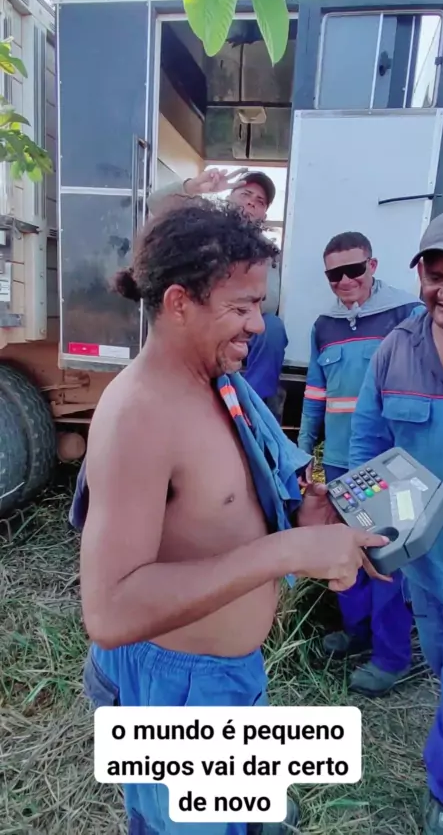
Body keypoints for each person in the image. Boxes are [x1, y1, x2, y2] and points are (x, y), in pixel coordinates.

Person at [70, 200, 390, 835]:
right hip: (178, 690)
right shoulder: (140, 414)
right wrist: (286, 553)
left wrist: (301, 519)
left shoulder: (218, 382)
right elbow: (109, 612)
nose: (258, 324)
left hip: (227, 676)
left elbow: (224, 509)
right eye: (241, 307)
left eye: (259, 305)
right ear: (179, 303)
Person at [348, 204, 443, 835]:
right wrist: (360, 529)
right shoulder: (393, 352)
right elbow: (367, 448)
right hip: (424, 568)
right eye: (437, 274)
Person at [298, 231, 424, 696]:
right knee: (342, 555)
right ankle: (356, 634)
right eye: (335, 274)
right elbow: (315, 393)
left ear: (373, 265)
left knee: (386, 560)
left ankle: (391, 658)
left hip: (388, 466)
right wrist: (303, 449)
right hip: (337, 465)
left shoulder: (408, 313)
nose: (345, 280)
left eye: (355, 269)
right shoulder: (323, 326)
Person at [148, 167, 288, 421]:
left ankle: (251, 411)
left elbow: (271, 300)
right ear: (228, 197)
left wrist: (236, 304)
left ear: (265, 214)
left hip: (241, 320)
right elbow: (155, 204)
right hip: (203, 319)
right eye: (245, 194)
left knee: (273, 329)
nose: (251, 203)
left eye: (260, 201)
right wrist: (194, 187)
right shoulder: (203, 230)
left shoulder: (268, 252)